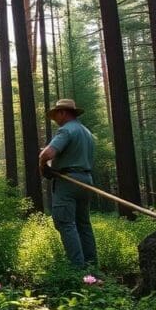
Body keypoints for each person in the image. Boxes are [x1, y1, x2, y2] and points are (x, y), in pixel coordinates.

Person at [38, 98, 97, 269]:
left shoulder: (66, 131)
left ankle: (77, 271)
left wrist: (43, 167)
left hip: (68, 182)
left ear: (63, 113)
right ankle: (92, 268)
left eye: (56, 114)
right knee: (83, 224)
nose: (55, 118)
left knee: (65, 223)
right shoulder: (86, 132)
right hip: (86, 181)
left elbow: (46, 154)